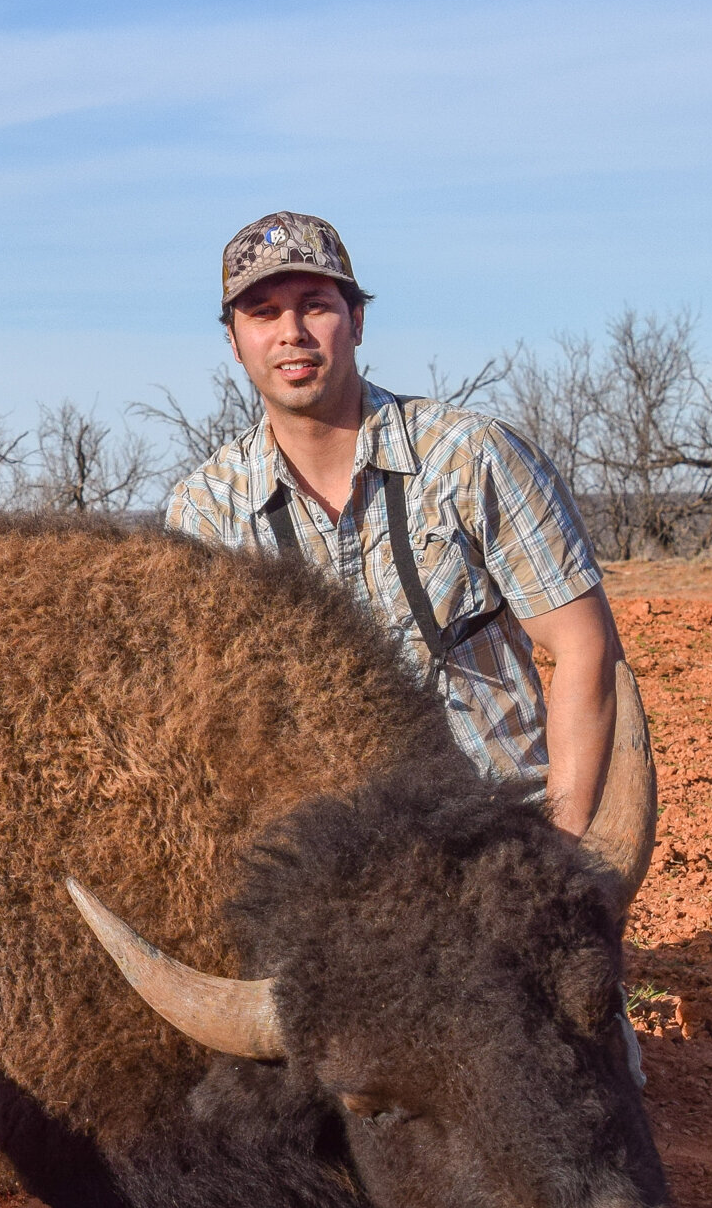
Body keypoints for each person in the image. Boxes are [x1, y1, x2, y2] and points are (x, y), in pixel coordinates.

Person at [166, 211, 625, 838]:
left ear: (355, 321)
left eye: (314, 306)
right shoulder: (205, 511)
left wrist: (565, 847)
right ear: (234, 340)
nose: (291, 333)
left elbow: (584, 646)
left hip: (500, 839)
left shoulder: (473, 456)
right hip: (328, 863)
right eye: (263, 313)